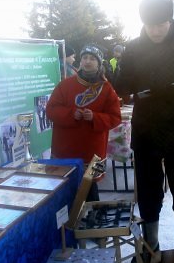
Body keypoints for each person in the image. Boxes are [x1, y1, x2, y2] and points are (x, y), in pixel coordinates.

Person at [115, 0, 174, 251]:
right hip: (145, 128)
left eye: (161, 24)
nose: (155, 30)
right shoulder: (132, 48)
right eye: (150, 25)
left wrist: (170, 92)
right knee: (147, 191)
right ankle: (149, 245)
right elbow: (121, 86)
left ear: (170, 20)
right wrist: (125, 80)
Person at [46, 44, 121, 201]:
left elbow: (115, 117)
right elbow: (51, 110)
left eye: (92, 59)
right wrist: (72, 113)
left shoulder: (107, 89)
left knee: (90, 191)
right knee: (65, 191)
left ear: (99, 63)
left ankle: (92, 223)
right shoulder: (65, 85)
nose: (87, 61)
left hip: (92, 151)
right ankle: (66, 224)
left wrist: (95, 117)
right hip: (66, 149)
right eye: (85, 58)